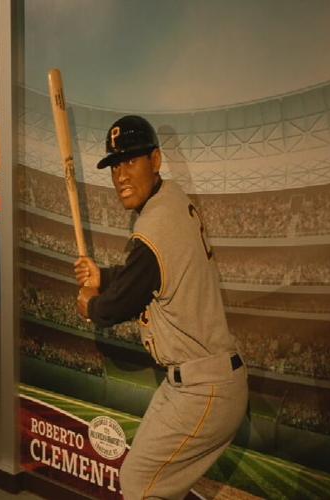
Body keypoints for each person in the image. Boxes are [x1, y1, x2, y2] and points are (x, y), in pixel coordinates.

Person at [73, 115, 248, 499]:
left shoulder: (157, 223)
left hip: (205, 388)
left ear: (155, 161)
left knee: (139, 483)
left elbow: (117, 306)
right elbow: (147, 273)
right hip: (197, 380)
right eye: (115, 164)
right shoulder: (172, 197)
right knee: (151, 482)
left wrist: (90, 303)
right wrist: (102, 274)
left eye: (131, 160)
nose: (120, 174)